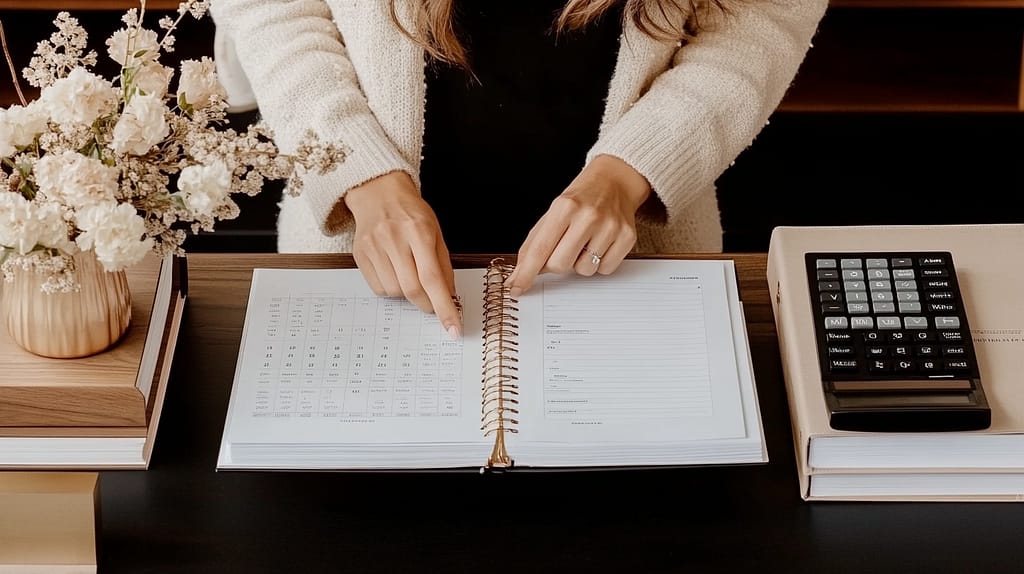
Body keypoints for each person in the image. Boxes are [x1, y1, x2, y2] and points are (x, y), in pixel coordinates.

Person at [209, 0, 827, 339]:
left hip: (635, 266)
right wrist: (358, 173)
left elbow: (764, 19)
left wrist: (632, 169)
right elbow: (271, 10)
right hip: (363, 266)